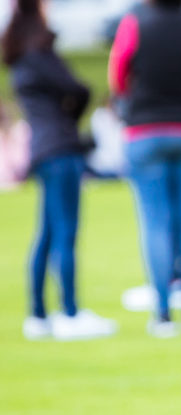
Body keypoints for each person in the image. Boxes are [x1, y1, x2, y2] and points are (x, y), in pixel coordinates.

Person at [6, 0, 116, 341]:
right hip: (60, 148)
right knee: (65, 231)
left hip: (41, 148)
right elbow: (79, 89)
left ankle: (38, 314)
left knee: (48, 233)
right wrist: (71, 116)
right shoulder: (41, 55)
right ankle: (69, 312)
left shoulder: (20, 59)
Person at [109, 0, 181, 337]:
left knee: (156, 221)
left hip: (145, 129)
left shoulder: (136, 19)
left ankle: (163, 313)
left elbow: (119, 74)